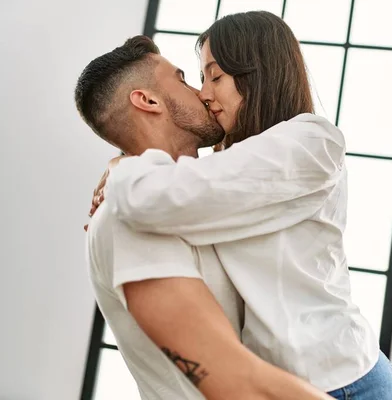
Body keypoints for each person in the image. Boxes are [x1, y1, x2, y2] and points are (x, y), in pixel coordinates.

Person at [91, 11, 392, 400]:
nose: (204, 93)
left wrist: (123, 165)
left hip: (341, 382)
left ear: (256, 73)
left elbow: (151, 196)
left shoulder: (311, 143)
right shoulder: (230, 161)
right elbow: (173, 189)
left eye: (214, 76)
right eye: (197, 78)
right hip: (287, 383)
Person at [77, 35, 332, 400]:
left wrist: (119, 165)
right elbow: (234, 381)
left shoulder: (201, 197)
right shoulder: (128, 223)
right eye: (183, 79)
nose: (201, 92)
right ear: (147, 100)